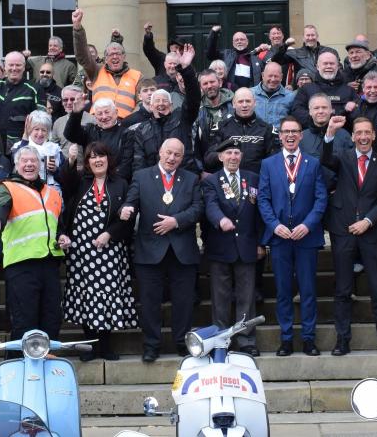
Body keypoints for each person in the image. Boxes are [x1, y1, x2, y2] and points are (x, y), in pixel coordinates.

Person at [119, 138, 204, 362]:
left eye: (177, 154)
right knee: (149, 302)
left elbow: (198, 208)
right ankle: (151, 345)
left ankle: (181, 343)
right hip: (149, 249)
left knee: (184, 302)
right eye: (168, 153)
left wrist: (176, 221)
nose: (171, 158)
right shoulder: (141, 176)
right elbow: (131, 201)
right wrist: (127, 208)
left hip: (182, 251)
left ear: (182, 157)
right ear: (160, 152)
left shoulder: (191, 178)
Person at [319, 116, 377, 356]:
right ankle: (342, 340)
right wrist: (330, 133)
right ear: (352, 137)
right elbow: (326, 159)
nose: (363, 137)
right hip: (342, 230)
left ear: (374, 135)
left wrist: (367, 221)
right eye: (358, 133)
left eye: (367, 133)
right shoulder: (342, 157)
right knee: (343, 289)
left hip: (371, 232)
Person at [59, 142, 136, 361]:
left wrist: (110, 233)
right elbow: (64, 182)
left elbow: (127, 217)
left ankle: (106, 346)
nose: (97, 160)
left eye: (101, 156)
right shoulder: (81, 181)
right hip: (82, 251)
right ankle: (90, 346)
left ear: (108, 159)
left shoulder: (120, 183)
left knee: (107, 296)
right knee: (86, 297)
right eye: (92, 157)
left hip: (110, 249)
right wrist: (71, 161)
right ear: (87, 162)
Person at [258, 117, 328, 357]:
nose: (290, 135)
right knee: (283, 290)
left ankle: (309, 339)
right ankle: (286, 339)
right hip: (280, 237)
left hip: (306, 238)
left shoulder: (313, 163)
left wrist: (308, 225)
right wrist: (274, 225)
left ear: (301, 135)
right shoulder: (268, 164)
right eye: (286, 131)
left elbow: (321, 199)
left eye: (294, 131)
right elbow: (263, 199)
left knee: (308, 290)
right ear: (280, 136)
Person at [0, 147, 68, 341]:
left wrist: (62, 237)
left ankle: (48, 366)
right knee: (25, 322)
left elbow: (57, 224)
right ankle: (21, 366)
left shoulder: (53, 193)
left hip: (49, 264)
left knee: (52, 320)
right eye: (24, 161)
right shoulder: (7, 188)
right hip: (21, 265)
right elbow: (2, 209)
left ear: (40, 165)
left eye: (33, 161)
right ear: (17, 165)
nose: (29, 164)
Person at [201, 138, 265, 356]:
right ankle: (221, 340)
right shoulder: (211, 181)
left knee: (246, 297)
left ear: (241, 156)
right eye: (228, 153)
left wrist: (261, 242)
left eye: (237, 153)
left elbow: (259, 213)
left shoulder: (252, 178)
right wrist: (220, 220)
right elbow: (210, 205)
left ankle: (246, 340)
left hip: (247, 247)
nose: (233, 157)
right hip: (221, 247)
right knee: (220, 298)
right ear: (220, 157)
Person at [126, 45, 201, 173]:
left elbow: (193, 98)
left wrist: (186, 69)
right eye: (157, 101)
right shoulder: (142, 130)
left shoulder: (182, 118)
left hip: (183, 177)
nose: (161, 103)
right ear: (150, 106)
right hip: (154, 182)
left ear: (171, 105)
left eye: (165, 100)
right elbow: (139, 162)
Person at [73, 9, 143, 118]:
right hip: (98, 122)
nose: (115, 57)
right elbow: (82, 55)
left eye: (118, 54)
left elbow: (141, 102)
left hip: (125, 125)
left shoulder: (137, 75)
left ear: (124, 56)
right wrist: (77, 28)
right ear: (105, 58)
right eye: (111, 54)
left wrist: (131, 120)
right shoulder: (96, 71)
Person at [0, 51, 45, 151]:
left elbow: (42, 121)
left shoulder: (34, 89)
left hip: (21, 145)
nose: (14, 68)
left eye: (18, 65)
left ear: (24, 67)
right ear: (4, 66)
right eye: (11, 65)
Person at [202, 87, 278, 175]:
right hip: (227, 182)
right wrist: (224, 155)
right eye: (240, 101)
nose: (244, 105)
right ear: (233, 104)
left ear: (255, 103)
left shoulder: (267, 129)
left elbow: (274, 161)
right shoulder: (220, 127)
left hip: (257, 181)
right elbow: (208, 159)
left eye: (248, 101)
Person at [63, 96, 134, 181]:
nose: (104, 117)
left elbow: (126, 165)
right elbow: (70, 134)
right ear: (95, 117)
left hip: (116, 182)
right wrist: (76, 113)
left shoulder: (127, 133)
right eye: (99, 114)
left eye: (107, 112)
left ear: (116, 112)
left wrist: (107, 181)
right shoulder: (90, 130)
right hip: (90, 181)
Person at [290, 51, 356, 125]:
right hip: (314, 133)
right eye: (325, 63)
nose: (328, 66)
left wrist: (347, 112)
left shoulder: (349, 91)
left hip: (341, 133)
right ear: (317, 67)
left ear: (338, 66)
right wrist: (318, 122)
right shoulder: (306, 89)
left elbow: (357, 115)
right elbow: (297, 111)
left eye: (332, 63)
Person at [271, 24, 337, 86]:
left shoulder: (329, 51)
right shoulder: (295, 53)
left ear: (317, 37)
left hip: (325, 87)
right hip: (304, 89)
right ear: (303, 38)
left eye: (313, 35)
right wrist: (285, 45)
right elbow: (276, 60)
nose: (310, 38)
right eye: (308, 35)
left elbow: (338, 69)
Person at [10, 110, 63, 188]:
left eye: (44, 130)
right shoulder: (20, 145)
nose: (40, 133)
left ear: (48, 131)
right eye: (36, 129)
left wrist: (55, 170)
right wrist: (25, 137)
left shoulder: (55, 148)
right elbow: (15, 162)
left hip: (51, 191)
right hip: (26, 189)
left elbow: (64, 177)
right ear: (30, 129)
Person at [206, 25, 265, 90]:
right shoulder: (226, 54)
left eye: (242, 39)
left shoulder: (256, 59)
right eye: (236, 40)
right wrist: (214, 33)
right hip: (230, 94)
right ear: (233, 43)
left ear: (247, 42)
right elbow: (210, 54)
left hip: (250, 94)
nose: (239, 41)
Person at [251, 61, 295, 129]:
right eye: (270, 76)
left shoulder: (290, 97)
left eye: (276, 76)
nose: (273, 79)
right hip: (256, 137)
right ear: (263, 75)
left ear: (281, 77)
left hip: (279, 138)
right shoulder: (250, 94)